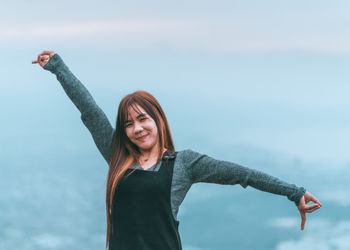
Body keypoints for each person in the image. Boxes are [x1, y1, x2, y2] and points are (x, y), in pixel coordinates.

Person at [32, 50, 322, 250]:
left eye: (143, 118)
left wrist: (293, 192)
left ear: (158, 119)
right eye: (129, 123)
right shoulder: (117, 156)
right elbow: (90, 110)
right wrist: (59, 67)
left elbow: (241, 174)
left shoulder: (184, 163)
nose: (137, 128)